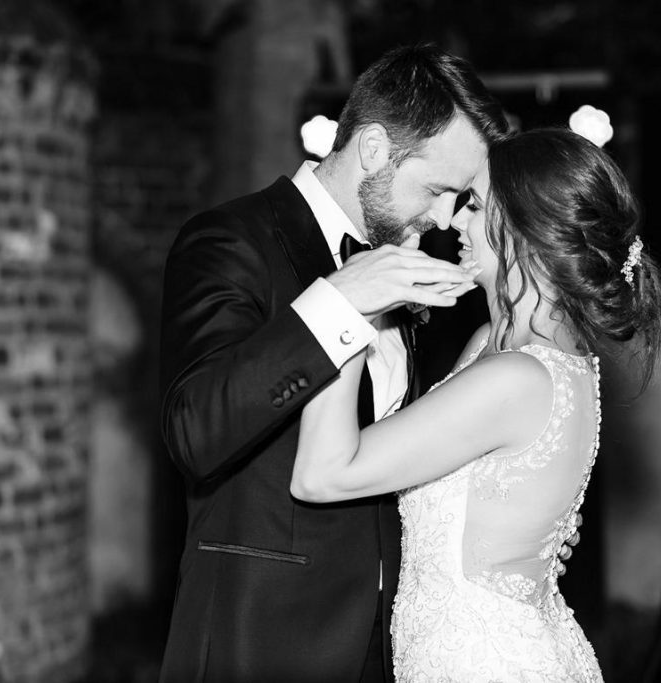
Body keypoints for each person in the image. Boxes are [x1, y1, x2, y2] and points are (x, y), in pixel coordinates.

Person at [157, 45, 507, 682]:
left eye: (459, 199)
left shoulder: (407, 265)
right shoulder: (231, 241)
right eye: (436, 190)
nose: (441, 218)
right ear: (372, 148)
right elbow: (193, 430)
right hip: (261, 638)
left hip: (391, 647)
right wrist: (339, 303)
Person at [291, 127, 661, 681]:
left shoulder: (516, 377)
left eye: (475, 205)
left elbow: (323, 473)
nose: (455, 222)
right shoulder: (492, 347)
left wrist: (350, 304)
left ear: (526, 230)